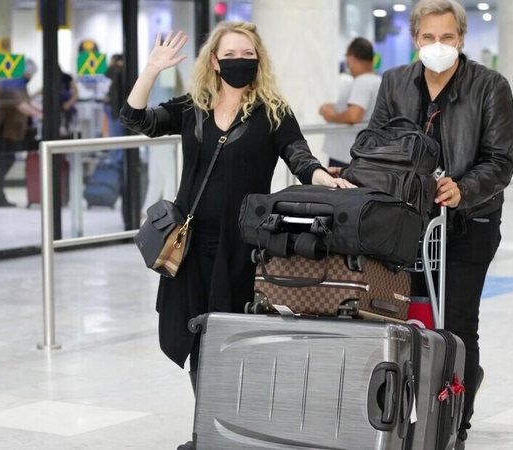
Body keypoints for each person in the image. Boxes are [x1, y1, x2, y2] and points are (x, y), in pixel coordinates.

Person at [119, 22, 352, 448]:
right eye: (231, 54)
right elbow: (137, 119)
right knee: (195, 339)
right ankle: (208, 432)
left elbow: (298, 153)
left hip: (242, 247)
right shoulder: (194, 107)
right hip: (188, 247)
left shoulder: (271, 110)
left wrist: (320, 174)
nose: (239, 62)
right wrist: (150, 70)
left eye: (248, 55)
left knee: (233, 341)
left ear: (258, 60)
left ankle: (230, 431)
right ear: (214, 60)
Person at [367, 1, 513, 448]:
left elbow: (501, 162)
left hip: (471, 221)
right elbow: (372, 141)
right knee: (402, 319)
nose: (438, 46)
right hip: (406, 224)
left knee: (455, 322)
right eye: (429, 37)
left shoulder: (490, 86)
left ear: (461, 39)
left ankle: (455, 426)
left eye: (447, 37)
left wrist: (463, 189)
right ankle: (404, 413)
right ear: (415, 39)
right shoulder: (395, 82)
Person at [318, 37, 382, 167]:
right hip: (360, 153)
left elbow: (354, 115)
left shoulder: (363, 82)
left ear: (351, 59)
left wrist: (331, 116)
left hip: (346, 155)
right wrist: (335, 107)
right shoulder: (377, 80)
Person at [0, 58, 43, 207]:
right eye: (30, 74)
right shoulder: (11, 83)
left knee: (5, 161)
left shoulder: (19, 84)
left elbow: (27, 102)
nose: (30, 78)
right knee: (4, 162)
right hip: (5, 130)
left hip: (12, 129)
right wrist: (39, 115)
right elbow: (21, 105)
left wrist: (38, 108)